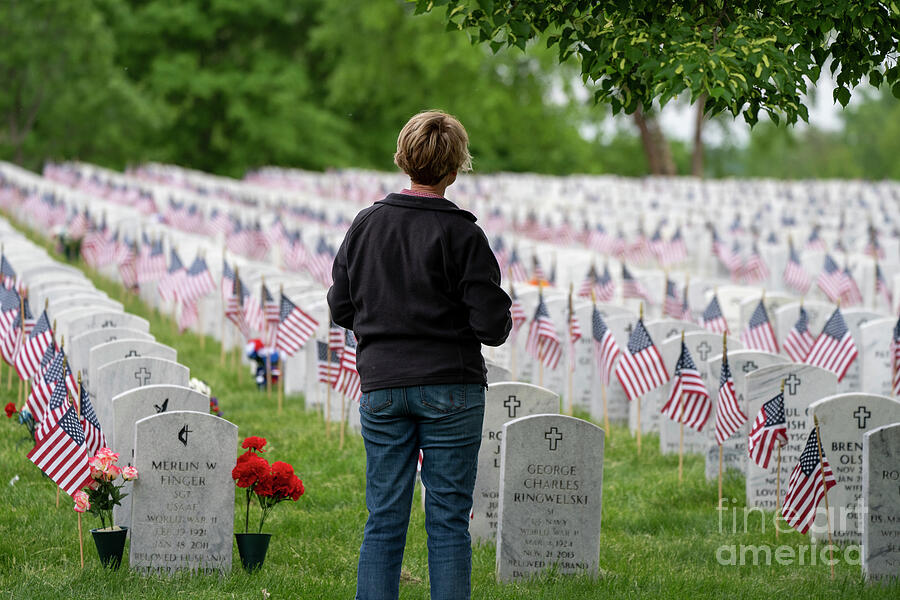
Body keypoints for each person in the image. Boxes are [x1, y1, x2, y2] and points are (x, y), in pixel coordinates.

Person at [328, 110, 512, 600]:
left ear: (401, 160)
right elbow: (492, 328)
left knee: (384, 517)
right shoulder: (464, 235)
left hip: (383, 385)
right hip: (451, 385)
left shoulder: (366, 225)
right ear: (455, 169)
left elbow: (341, 306)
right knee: (448, 521)